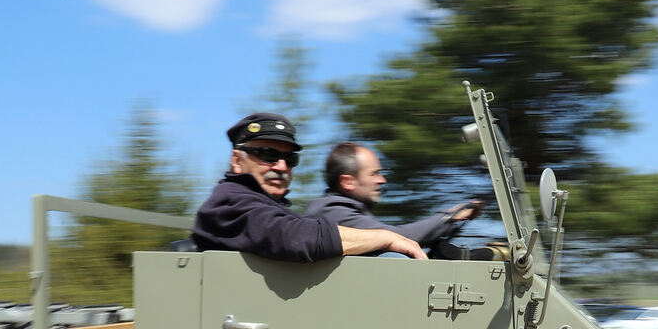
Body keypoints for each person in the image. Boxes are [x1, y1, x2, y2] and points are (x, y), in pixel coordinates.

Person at [191, 114, 426, 261]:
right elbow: (294, 236)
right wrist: (385, 238)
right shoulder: (230, 201)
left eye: (290, 159)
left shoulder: (262, 206)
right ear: (236, 160)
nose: (282, 167)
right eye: (267, 155)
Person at [304, 142, 507, 260]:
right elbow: (396, 237)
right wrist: (449, 217)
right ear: (348, 182)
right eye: (374, 174)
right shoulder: (332, 212)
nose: (382, 180)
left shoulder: (345, 210)